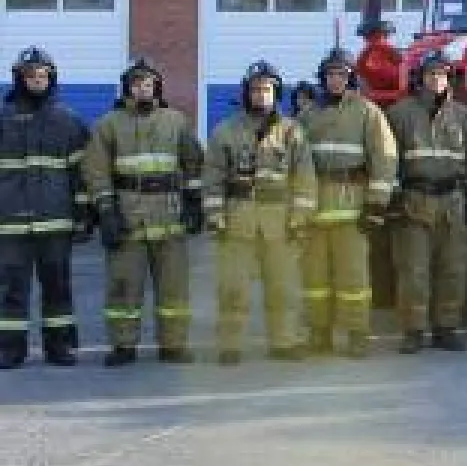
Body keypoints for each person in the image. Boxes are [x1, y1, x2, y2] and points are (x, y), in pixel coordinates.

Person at [83, 57, 204, 367]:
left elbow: (193, 163)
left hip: (169, 216)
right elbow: (96, 171)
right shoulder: (108, 124)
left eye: (148, 83)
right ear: (127, 88)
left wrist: (193, 203)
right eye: (137, 84)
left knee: (174, 287)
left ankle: (173, 345)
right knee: (123, 287)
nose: (143, 89)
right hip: (127, 216)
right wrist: (106, 212)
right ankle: (123, 345)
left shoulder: (176, 121)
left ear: (157, 87)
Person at [204, 60, 317, 365]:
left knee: (283, 286)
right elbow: (212, 177)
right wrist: (215, 216)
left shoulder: (293, 132)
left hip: (280, 221)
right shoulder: (225, 131)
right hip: (237, 219)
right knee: (233, 287)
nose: (261, 95)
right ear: (246, 93)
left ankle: (284, 341)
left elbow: (304, 177)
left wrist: (300, 218)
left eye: (267, 89)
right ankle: (230, 344)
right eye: (255, 89)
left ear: (276, 92)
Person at [385, 49, 467, 354]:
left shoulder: (466, 117)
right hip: (414, 201)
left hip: (453, 203)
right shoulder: (399, 114)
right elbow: (388, 157)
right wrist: (392, 195)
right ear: (420, 78)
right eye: (430, 74)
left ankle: (447, 327)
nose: (436, 79)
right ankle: (414, 330)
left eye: (441, 74)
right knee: (413, 269)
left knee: (454, 268)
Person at [299, 48, 398, 359]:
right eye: (330, 74)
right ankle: (319, 333)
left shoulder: (368, 113)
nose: (335, 80)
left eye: (342, 74)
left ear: (350, 77)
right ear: (322, 79)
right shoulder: (306, 116)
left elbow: (384, 158)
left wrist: (377, 204)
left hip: (352, 208)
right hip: (314, 210)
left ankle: (357, 334)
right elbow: (294, 164)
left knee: (354, 278)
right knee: (315, 279)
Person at [0, 47, 91, 369]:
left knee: (58, 287)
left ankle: (60, 347)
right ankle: (10, 350)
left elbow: (82, 174)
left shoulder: (68, 121)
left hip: (55, 222)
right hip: (9, 224)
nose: (37, 81)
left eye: (43, 75)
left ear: (51, 78)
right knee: (11, 290)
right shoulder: (2, 119)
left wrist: (84, 216)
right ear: (19, 78)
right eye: (30, 75)